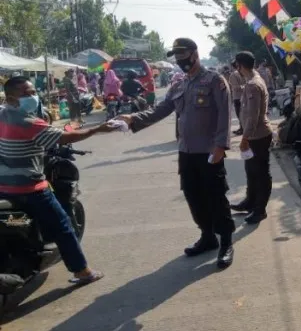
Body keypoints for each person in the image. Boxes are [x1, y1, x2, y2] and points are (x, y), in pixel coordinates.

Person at [118, 38, 235, 268]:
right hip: (186, 152)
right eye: (177, 56)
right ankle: (207, 236)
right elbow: (160, 110)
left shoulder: (214, 81)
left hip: (210, 152)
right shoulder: (179, 85)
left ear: (194, 54)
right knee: (193, 195)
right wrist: (133, 119)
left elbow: (225, 114)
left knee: (216, 196)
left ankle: (226, 242)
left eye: (183, 55)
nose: (180, 60)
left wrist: (221, 145)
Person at [0, 76, 115, 284]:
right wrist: (97, 129)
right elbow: (63, 137)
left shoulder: (3, 114)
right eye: (26, 94)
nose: (33, 97)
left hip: (4, 187)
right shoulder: (29, 123)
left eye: (34, 92)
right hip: (30, 188)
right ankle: (82, 271)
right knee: (63, 226)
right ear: (10, 98)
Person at [230, 51, 273, 225]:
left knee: (261, 173)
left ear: (240, 65)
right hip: (255, 135)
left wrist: (245, 137)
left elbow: (253, 116)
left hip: (258, 135)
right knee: (251, 171)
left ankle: (259, 209)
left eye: (237, 65)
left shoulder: (253, 85)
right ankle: (250, 202)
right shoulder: (253, 80)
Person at [228, 61, 245, 136]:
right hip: (243, 96)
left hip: (237, 97)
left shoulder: (233, 74)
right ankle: (242, 128)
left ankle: (243, 128)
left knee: (239, 114)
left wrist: (244, 86)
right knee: (242, 113)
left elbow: (235, 87)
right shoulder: (242, 72)